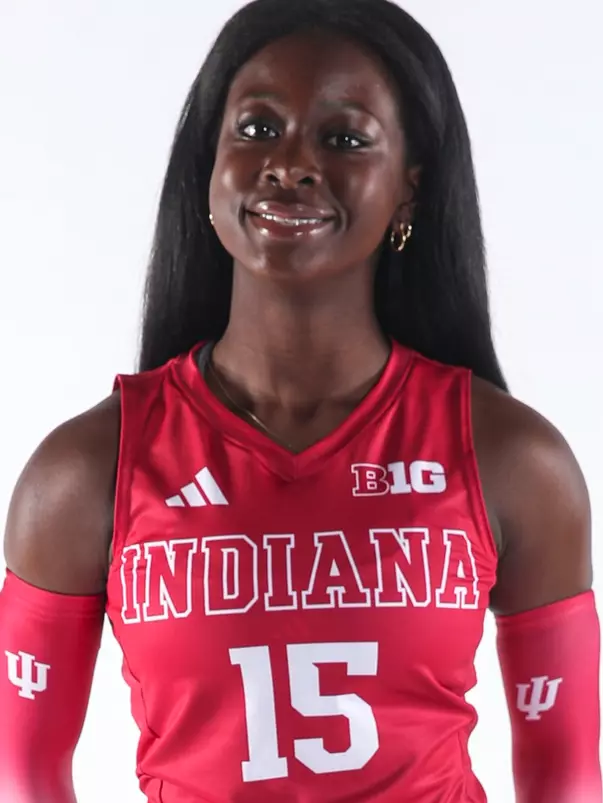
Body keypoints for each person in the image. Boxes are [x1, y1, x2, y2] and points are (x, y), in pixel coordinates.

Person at [0, 0, 600, 800]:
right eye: (256, 129)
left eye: (344, 138)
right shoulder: (82, 474)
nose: (289, 164)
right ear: (208, 166)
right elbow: (23, 772)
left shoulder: (512, 460)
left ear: (409, 190)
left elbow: (564, 774)